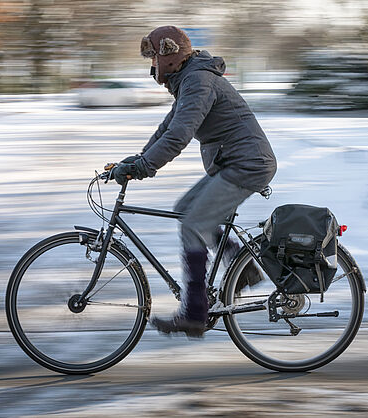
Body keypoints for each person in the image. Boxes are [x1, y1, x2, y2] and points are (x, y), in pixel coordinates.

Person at [108, 25, 277, 337]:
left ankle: (194, 312)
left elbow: (179, 135)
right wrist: (135, 160)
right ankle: (242, 266)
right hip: (233, 162)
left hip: (247, 164)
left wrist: (145, 167)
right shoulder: (190, 80)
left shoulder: (198, 81)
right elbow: (167, 127)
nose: (152, 66)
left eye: (153, 58)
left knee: (192, 224)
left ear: (170, 57)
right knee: (186, 209)